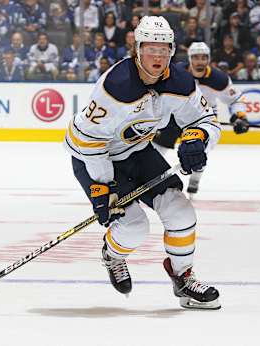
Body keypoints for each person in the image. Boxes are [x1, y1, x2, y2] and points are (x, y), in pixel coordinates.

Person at [64, 16, 221, 309]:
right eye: (151, 48)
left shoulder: (181, 82)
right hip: (95, 157)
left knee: (180, 211)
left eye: (164, 49)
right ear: (137, 48)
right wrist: (103, 186)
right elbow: (88, 139)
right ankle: (113, 255)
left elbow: (206, 119)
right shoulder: (116, 86)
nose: (158, 55)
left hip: (137, 149)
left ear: (172, 51)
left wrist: (197, 137)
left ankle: (183, 277)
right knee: (133, 226)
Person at [153, 41, 248, 196]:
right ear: (190, 58)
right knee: (157, 150)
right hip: (175, 115)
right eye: (196, 57)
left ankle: (195, 179)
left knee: (197, 151)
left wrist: (240, 116)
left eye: (204, 58)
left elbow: (236, 99)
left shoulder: (219, 79)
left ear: (209, 59)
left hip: (202, 119)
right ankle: (148, 176)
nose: (200, 61)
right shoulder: (176, 72)